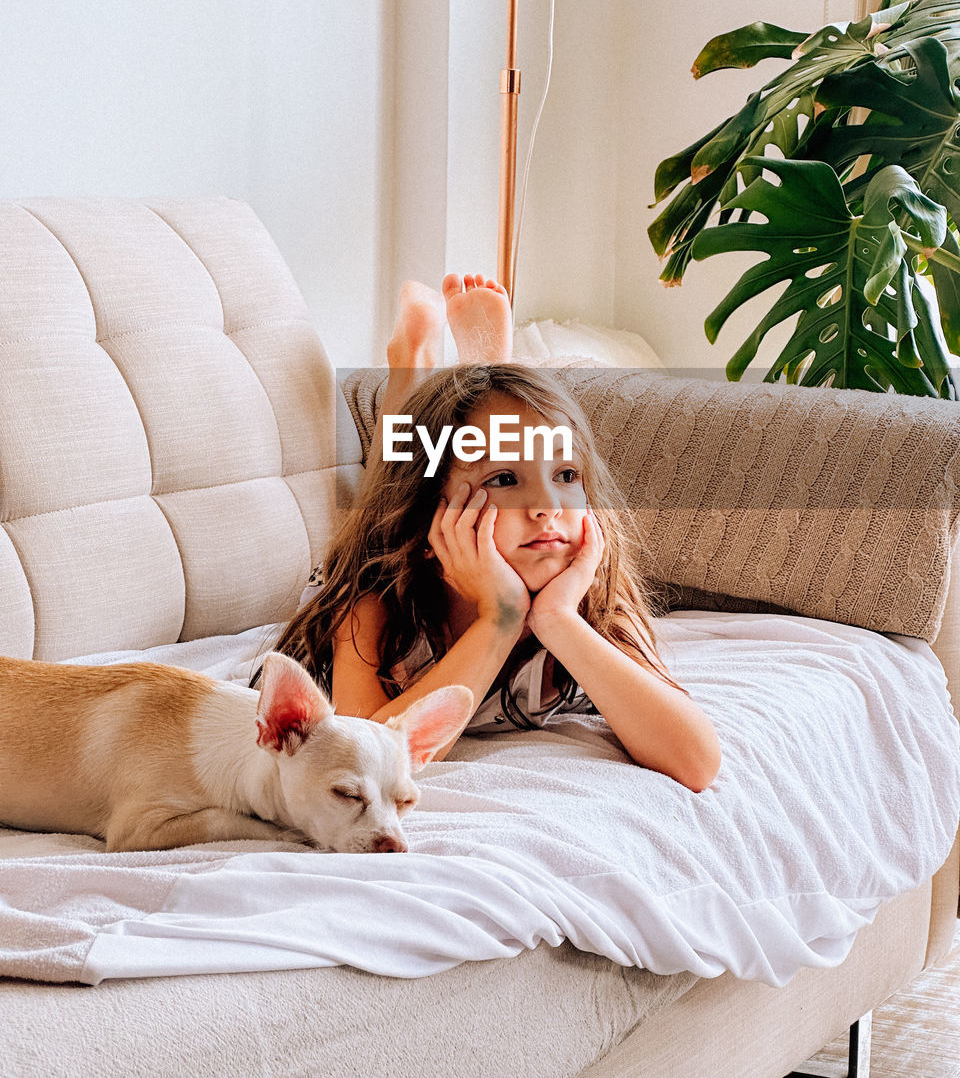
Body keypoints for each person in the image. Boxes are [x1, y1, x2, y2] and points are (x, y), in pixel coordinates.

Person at [259, 274, 721, 792]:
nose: (547, 508)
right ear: (438, 511)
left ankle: (485, 374)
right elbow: (368, 762)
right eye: (505, 480)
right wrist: (499, 619)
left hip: (468, 537)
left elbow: (697, 762)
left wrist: (558, 620)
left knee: (478, 428)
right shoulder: (374, 605)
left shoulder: (594, 604)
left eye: (566, 476)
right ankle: (412, 368)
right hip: (398, 559)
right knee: (390, 493)